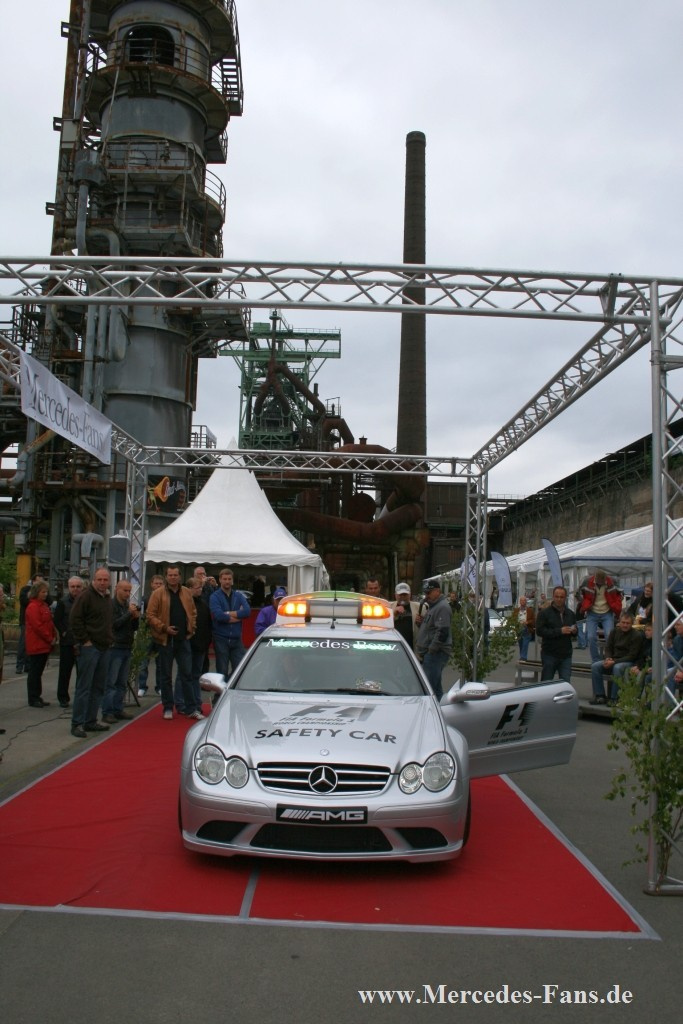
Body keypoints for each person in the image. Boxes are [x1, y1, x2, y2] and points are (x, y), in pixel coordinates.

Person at [146, 565, 200, 721]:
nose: (173, 577)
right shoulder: (157, 593)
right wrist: (164, 628)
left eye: (175, 575)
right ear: (166, 576)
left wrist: (192, 629)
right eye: (170, 575)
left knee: (187, 675)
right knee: (166, 676)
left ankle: (191, 708)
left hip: (183, 640)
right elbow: (150, 615)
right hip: (166, 640)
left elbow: (193, 612)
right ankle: (168, 707)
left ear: (180, 576)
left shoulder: (186, 592)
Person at [69, 567, 113, 738]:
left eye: (105, 580)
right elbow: (75, 619)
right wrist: (84, 640)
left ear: (109, 581)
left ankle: (90, 720)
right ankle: (77, 723)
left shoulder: (107, 597)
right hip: (90, 647)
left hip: (104, 647)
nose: (102, 582)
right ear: (94, 580)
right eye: (99, 579)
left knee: (98, 687)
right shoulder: (85, 596)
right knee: (84, 687)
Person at [101, 579, 139, 724]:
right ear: (117, 589)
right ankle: (107, 711)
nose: (127, 593)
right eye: (125, 590)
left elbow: (133, 627)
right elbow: (115, 624)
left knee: (122, 682)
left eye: (129, 591)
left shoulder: (126, 606)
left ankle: (118, 708)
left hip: (126, 646)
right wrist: (129, 614)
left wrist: (135, 618)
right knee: (111, 681)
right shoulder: (111, 605)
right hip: (115, 646)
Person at [590, 612, 643, 706]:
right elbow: (608, 648)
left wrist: (614, 662)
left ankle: (615, 698)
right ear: (619, 622)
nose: (625, 625)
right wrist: (608, 658)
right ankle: (600, 696)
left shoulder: (636, 635)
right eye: (623, 622)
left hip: (628, 661)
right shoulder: (614, 632)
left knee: (617, 668)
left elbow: (632, 656)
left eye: (627, 623)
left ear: (632, 624)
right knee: (595, 666)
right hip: (613, 659)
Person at [209, 568, 250, 679]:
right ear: (220, 580)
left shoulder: (239, 596)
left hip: (236, 639)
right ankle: (223, 689)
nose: (227, 581)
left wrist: (227, 613)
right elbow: (218, 616)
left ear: (232, 580)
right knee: (222, 670)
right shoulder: (215, 597)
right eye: (225, 579)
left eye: (229, 579)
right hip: (221, 638)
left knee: (240, 669)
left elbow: (247, 612)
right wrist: (238, 616)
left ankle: (230, 685)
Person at [415, 579, 452, 701]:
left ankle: (433, 708)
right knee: (435, 687)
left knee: (429, 688)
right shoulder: (433, 607)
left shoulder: (442, 607)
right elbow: (431, 629)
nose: (426, 596)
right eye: (425, 593)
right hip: (432, 653)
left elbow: (442, 631)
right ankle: (440, 707)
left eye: (429, 593)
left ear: (437, 591)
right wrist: (421, 623)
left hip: (436, 653)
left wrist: (431, 650)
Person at [24, 580, 58, 707]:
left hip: (43, 644)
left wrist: (53, 636)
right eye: (43, 592)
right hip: (37, 644)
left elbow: (49, 623)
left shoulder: (43, 605)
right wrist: (50, 638)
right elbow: (38, 626)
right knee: (35, 672)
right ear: (36, 592)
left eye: (46, 592)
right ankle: (33, 698)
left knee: (38, 672)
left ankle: (37, 696)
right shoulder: (33, 607)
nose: (45, 594)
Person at [53, 576, 85, 708]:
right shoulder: (63, 602)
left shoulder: (85, 601)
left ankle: (80, 697)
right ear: (69, 587)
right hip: (67, 642)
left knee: (82, 672)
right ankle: (63, 697)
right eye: (73, 586)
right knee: (65, 671)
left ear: (82, 588)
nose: (75, 589)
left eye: (78, 586)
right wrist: (63, 632)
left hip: (82, 641)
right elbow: (57, 619)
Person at [578, 569, 623, 662]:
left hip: (607, 612)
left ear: (605, 578)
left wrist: (616, 603)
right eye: (599, 581)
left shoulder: (612, 581)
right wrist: (585, 603)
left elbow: (621, 593)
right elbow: (578, 593)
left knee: (609, 635)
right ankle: (596, 660)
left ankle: (609, 657)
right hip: (592, 612)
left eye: (603, 581)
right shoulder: (587, 581)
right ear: (595, 578)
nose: (601, 583)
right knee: (591, 637)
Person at [534, 585, 577, 682]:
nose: (559, 599)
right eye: (557, 597)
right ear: (553, 597)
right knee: (546, 682)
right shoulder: (544, 613)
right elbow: (539, 631)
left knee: (565, 683)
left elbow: (574, 633)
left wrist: (574, 631)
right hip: (549, 654)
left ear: (565, 598)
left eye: (562, 597)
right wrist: (559, 631)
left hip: (566, 655)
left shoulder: (570, 614)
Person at [187, 576, 213, 711]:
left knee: (196, 675)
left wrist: (207, 641)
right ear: (190, 589)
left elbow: (208, 624)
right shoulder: (186, 603)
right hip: (188, 644)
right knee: (185, 675)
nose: (200, 590)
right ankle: (183, 702)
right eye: (197, 588)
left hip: (201, 645)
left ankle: (196, 703)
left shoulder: (203, 604)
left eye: (201, 588)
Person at [136, 574, 164, 696]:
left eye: (160, 583)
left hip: (161, 633)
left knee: (161, 663)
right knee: (143, 662)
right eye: (156, 583)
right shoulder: (144, 599)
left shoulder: (166, 599)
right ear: (151, 584)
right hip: (147, 633)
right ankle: (142, 686)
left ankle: (160, 687)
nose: (158, 585)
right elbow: (140, 615)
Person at [16, 574, 46, 674]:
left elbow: (48, 602)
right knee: (23, 643)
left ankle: (28, 665)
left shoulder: (43, 592)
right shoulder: (25, 590)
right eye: (38, 581)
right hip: (25, 621)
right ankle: (19, 665)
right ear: (33, 581)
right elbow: (24, 601)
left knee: (33, 644)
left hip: (37, 621)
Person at [391, 583, 420, 649]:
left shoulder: (419, 607)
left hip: (412, 646)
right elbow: (384, 624)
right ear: (395, 595)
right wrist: (394, 614)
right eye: (400, 595)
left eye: (405, 595)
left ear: (410, 594)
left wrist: (421, 622)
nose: (403, 597)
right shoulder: (389, 607)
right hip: (394, 645)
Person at [515, 595, 535, 661]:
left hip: (527, 629)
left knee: (525, 644)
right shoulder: (516, 610)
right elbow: (513, 619)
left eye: (524, 600)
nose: (523, 601)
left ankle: (523, 657)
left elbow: (533, 620)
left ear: (526, 602)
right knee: (521, 644)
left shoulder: (530, 610)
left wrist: (527, 622)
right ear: (520, 602)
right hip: (519, 629)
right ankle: (522, 656)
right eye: (521, 600)